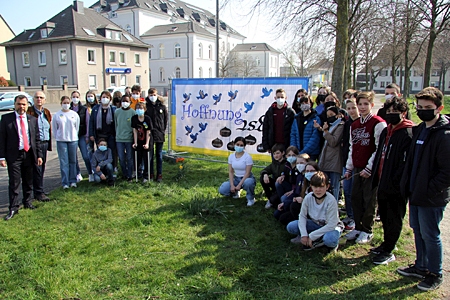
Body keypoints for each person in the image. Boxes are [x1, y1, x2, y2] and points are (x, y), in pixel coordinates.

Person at [397, 87, 450, 291]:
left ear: (439, 108)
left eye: (428, 107)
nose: (422, 110)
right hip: (415, 192)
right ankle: (421, 266)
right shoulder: (420, 129)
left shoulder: (444, 135)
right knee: (418, 231)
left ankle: (435, 273)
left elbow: (446, 173)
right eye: (419, 107)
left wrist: (429, 190)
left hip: (431, 197)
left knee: (430, 234)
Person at [370, 97, 414, 265]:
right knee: (385, 216)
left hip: (396, 185)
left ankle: (389, 250)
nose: (391, 115)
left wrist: (398, 183)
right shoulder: (386, 131)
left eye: (395, 112)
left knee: (394, 217)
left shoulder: (407, 134)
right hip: (382, 180)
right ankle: (386, 244)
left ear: (403, 113)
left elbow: (405, 164)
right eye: (389, 112)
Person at [344, 91, 386, 244]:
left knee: (369, 200)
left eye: (365, 104)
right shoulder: (354, 124)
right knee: (356, 197)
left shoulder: (378, 123)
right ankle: (358, 226)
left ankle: (367, 230)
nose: (362, 107)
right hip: (357, 167)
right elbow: (352, 147)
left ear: (372, 105)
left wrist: (369, 168)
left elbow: (379, 148)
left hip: (371, 169)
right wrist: (349, 168)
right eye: (359, 104)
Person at [0, 95, 43, 220]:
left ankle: (27, 202)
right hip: (14, 155)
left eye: (24, 104)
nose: (21, 107)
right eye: (19, 104)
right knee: (14, 181)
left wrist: (39, 155)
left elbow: (36, 139)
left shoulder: (32, 119)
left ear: (27, 105)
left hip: (29, 154)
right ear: (14, 104)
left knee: (28, 180)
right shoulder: (6, 119)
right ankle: (13, 207)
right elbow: (2, 139)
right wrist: (1, 157)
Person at [286, 171, 343, 251]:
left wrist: (312, 236)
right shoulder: (308, 197)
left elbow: (331, 225)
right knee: (291, 226)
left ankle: (331, 244)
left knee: (330, 240)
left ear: (327, 187)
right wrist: (304, 235)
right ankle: (316, 240)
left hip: (331, 227)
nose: (318, 190)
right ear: (311, 187)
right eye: (315, 187)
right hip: (315, 224)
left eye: (321, 187)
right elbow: (302, 216)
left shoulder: (331, 200)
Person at [314, 106, 345, 201]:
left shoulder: (340, 125)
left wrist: (325, 130)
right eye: (328, 116)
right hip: (326, 160)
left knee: (334, 187)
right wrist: (320, 128)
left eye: (332, 115)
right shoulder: (332, 125)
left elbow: (333, 141)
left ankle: (334, 208)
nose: (330, 117)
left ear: (338, 115)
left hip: (334, 161)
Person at [26, 91, 52, 201]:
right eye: (36, 97)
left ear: (45, 100)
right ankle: (37, 193)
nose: (39, 99)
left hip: (44, 143)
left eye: (41, 97)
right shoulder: (29, 112)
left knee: (41, 168)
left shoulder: (46, 112)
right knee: (36, 168)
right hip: (34, 145)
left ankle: (39, 190)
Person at [52, 96, 80, 189]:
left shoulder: (74, 114)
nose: (66, 104)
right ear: (61, 103)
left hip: (72, 140)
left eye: (68, 103)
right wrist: (59, 137)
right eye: (64, 103)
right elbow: (55, 129)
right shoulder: (57, 115)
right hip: (61, 141)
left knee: (73, 161)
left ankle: (73, 181)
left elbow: (77, 127)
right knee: (64, 162)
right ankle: (65, 182)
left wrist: (74, 136)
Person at [219, 136, 256, 206]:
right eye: (237, 144)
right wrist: (232, 185)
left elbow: (248, 173)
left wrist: (239, 185)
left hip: (246, 178)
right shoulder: (231, 156)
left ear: (244, 146)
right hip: (236, 178)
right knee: (223, 189)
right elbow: (231, 171)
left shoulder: (248, 157)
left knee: (249, 183)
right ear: (234, 144)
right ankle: (235, 192)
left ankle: (250, 198)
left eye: (241, 145)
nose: (239, 146)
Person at [274, 153, 310, 224]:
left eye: (302, 163)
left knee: (289, 206)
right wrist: (284, 203)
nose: (300, 165)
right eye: (298, 163)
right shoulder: (299, 176)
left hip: (304, 203)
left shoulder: (309, 177)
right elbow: (296, 190)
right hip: (296, 198)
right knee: (277, 215)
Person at [341, 97, 359, 229]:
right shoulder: (347, 123)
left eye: (354, 107)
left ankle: (357, 218)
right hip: (346, 161)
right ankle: (350, 214)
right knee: (347, 190)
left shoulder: (361, 123)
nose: (351, 111)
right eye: (349, 108)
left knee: (355, 192)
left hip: (358, 163)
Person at [261, 88, 295, 152]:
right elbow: (265, 129)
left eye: (282, 97)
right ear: (275, 98)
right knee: (275, 161)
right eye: (278, 97)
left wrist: (292, 145)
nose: (280, 99)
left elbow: (294, 129)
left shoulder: (290, 112)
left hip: (287, 145)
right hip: (273, 145)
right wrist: (266, 145)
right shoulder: (270, 112)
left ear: (286, 98)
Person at [89, 91, 117, 169]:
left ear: (110, 99)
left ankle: (113, 168)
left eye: (107, 97)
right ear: (100, 98)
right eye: (103, 97)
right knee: (100, 153)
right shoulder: (96, 108)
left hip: (110, 134)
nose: (105, 99)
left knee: (111, 152)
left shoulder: (113, 109)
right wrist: (91, 134)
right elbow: (91, 122)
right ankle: (100, 169)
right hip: (99, 135)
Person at [145, 88, 168, 182]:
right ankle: (150, 173)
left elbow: (165, 120)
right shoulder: (146, 106)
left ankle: (159, 174)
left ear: (157, 95)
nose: (152, 97)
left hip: (159, 133)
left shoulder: (162, 106)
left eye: (154, 95)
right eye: (150, 95)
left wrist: (162, 130)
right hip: (149, 133)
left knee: (159, 155)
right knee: (150, 155)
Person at [70, 90, 93, 182]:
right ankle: (77, 173)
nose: (75, 98)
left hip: (82, 135)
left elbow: (87, 123)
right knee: (73, 157)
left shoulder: (84, 109)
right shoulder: (69, 109)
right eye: (73, 96)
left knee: (86, 156)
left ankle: (90, 173)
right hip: (72, 137)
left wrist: (87, 136)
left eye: (77, 97)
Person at [290, 96, 322, 160]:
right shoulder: (296, 118)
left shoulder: (316, 118)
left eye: (306, 102)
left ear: (311, 104)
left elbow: (315, 138)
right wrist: (295, 150)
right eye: (302, 103)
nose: (304, 104)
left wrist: (304, 152)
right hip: (298, 151)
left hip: (311, 153)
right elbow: (293, 134)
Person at [115, 95, 136, 182]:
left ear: (130, 102)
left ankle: (129, 175)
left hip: (129, 139)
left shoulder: (133, 112)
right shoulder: (117, 112)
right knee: (121, 158)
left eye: (127, 101)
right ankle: (124, 173)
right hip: (119, 139)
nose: (125, 103)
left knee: (129, 158)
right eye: (123, 101)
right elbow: (116, 124)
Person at [260, 143, 286, 209]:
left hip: (283, 186)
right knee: (262, 178)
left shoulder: (287, 163)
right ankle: (269, 197)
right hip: (275, 184)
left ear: (283, 153)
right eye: (274, 154)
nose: (275, 155)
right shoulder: (274, 163)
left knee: (274, 200)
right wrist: (265, 174)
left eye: (277, 153)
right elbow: (265, 170)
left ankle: (274, 199)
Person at [131, 102, 152, 183]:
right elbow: (135, 131)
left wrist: (147, 143)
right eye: (138, 109)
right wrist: (135, 142)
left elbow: (148, 132)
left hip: (146, 140)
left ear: (144, 110)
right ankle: (138, 173)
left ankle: (146, 176)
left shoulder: (147, 119)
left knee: (146, 159)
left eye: (141, 109)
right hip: (138, 141)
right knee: (137, 159)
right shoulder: (134, 118)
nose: (139, 110)